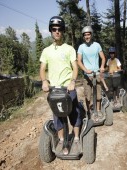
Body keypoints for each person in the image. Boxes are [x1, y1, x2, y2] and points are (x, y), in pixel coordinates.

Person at [39, 16, 81, 155]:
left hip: (68, 89)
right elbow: (42, 68)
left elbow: (75, 67)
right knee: (57, 116)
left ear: (63, 31)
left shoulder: (69, 49)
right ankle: (62, 140)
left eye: (60, 29)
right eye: (54, 29)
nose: (57, 31)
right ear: (51, 31)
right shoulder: (46, 51)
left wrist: (72, 81)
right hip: (55, 90)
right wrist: (44, 81)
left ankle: (76, 138)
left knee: (74, 113)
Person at [77, 26, 106, 120]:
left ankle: (97, 111)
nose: (87, 36)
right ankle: (89, 112)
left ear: (91, 35)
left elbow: (103, 58)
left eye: (88, 34)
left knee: (98, 95)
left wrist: (102, 66)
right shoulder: (81, 47)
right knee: (88, 96)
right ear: (83, 36)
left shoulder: (97, 45)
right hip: (87, 75)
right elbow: (79, 61)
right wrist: (85, 70)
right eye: (85, 35)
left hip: (97, 74)